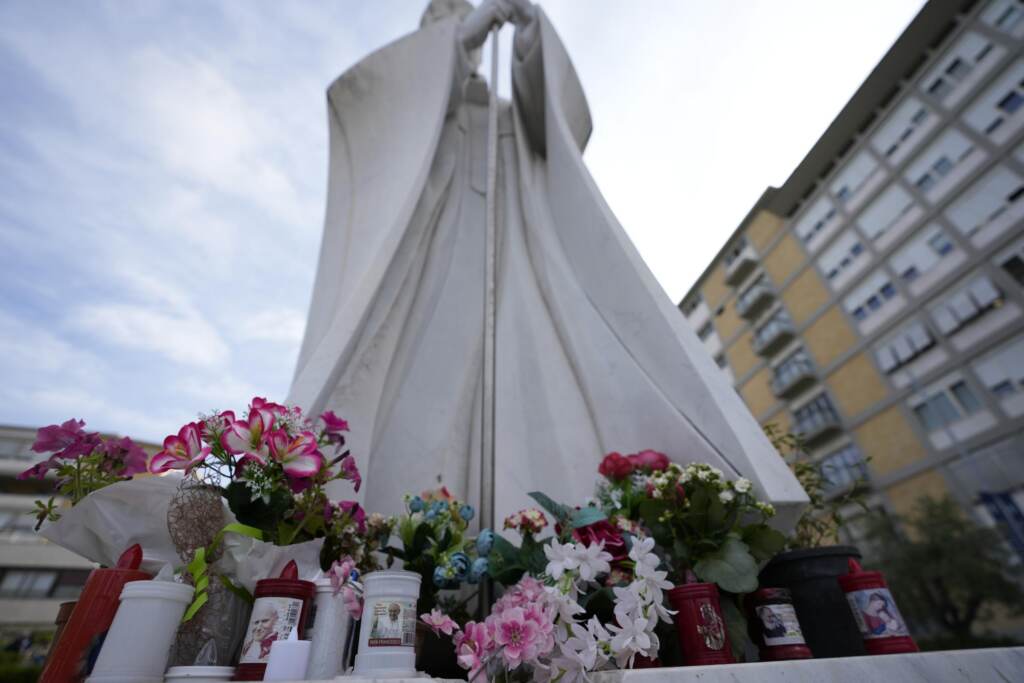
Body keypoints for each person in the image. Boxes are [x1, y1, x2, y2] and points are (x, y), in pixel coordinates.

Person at [289, 0, 807, 526]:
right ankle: (396, 535)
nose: (454, 26)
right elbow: (368, 98)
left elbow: (555, 125)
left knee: (531, 386)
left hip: (514, 261)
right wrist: (459, 39)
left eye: (458, 17)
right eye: (441, 22)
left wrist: (531, 31)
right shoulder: (417, 113)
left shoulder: (507, 118)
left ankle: (534, 534)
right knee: (419, 393)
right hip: (431, 263)